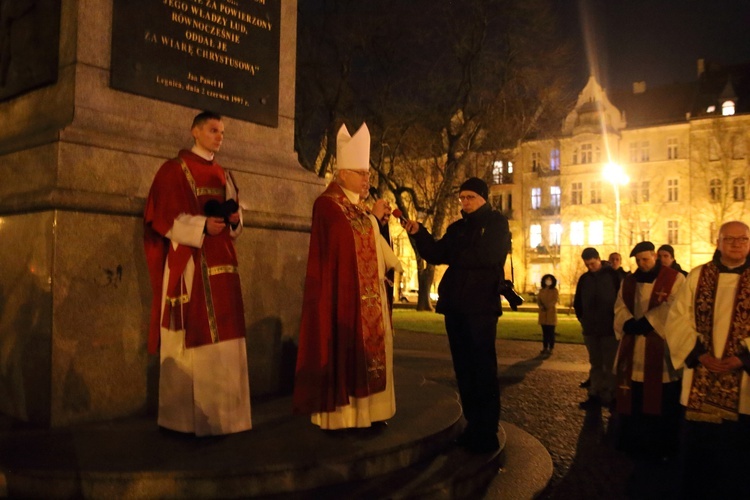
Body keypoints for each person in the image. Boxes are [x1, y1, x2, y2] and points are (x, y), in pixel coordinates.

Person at [143, 111, 251, 436]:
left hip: (224, 264)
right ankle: (186, 421)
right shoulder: (173, 170)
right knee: (192, 337)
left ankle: (227, 418)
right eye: (213, 130)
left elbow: (236, 215)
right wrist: (203, 224)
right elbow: (161, 218)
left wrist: (234, 222)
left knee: (227, 336)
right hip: (190, 264)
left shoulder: (224, 174)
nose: (220, 137)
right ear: (195, 131)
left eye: (222, 132)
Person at [293, 123, 402, 430]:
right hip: (344, 297)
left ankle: (373, 413)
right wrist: (370, 217)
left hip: (370, 297)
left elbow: (370, 242)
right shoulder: (328, 205)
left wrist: (375, 219)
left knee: (373, 352)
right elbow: (342, 247)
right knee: (347, 352)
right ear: (342, 173)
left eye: (368, 174)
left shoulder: (359, 208)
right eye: (361, 173)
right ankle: (344, 418)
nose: (367, 179)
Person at [403, 177, 511, 453]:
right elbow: (437, 253)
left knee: (483, 370)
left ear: (484, 198)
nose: (465, 202)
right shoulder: (457, 228)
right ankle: (472, 425)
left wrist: (455, 254)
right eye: (462, 197)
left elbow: (487, 256)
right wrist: (419, 234)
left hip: (481, 306)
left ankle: (487, 431)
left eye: (471, 197)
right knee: (464, 368)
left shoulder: (496, 224)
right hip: (456, 306)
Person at [665, 221, 750, 498]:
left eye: (743, 239)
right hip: (701, 374)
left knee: (739, 456)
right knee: (699, 455)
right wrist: (698, 353)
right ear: (718, 241)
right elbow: (677, 318)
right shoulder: (699, 276)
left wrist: (743, 357)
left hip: (744, 382)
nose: (737, 244)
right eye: (730, 239)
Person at [613, 241, 685, 458]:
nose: (641, 264)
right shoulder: (629, 281)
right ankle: (633, 442)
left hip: (659, 347)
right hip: (634, 345)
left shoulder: (674, 278)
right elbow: (619, 305)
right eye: (638, 261)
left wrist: (649, 322)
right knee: (633, 397)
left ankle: (660, 446)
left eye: (645, 259)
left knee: (661, 400)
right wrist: (627, 322)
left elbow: (676, 305)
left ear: (655, 256)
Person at [574, 247, 622, 410]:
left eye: (592, 264)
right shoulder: (584, 279)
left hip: (609, 328)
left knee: (609, 364)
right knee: (595, 363)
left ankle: (609, 395)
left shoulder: (613, 276)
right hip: (591, 328)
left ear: (598, 259)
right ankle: (594, 393)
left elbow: (621, 301)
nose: (590, 267)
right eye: (587, 265)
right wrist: (583, 320)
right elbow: (578, 302)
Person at [537, 274, 559, 356]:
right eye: (547, 279)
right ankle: (545, 347)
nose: (548, 281)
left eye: (550, 280)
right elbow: (538, 300)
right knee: (545, 333)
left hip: (551, 314)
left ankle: (551, 348)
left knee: (551, 333)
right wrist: (541, 306)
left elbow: (554, 300)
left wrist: (547, 306)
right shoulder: (541, 290)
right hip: (543, 314)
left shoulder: (554, 290)